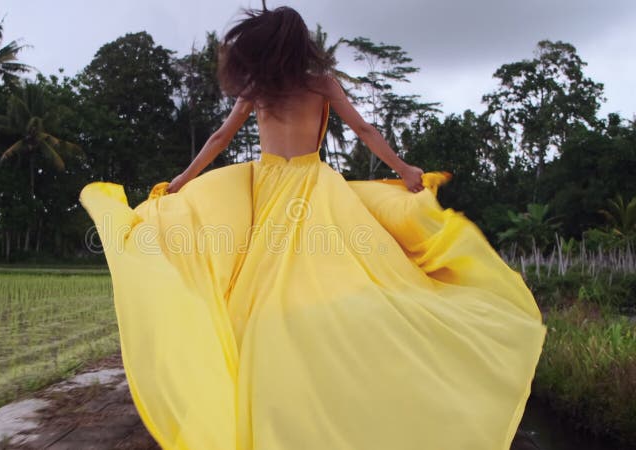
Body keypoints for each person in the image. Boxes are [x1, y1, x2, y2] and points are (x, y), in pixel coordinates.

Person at [79, 3, 547, 450]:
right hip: (309, 185)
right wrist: (403, 169)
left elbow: (222, 138)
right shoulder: (319, 83)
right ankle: (330, 383)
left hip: (265, 187)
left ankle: (268, 389)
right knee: (337, 276)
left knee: (256, 286)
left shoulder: (258, 90)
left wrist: (183, 180)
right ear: (302, 45)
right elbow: (364, 130)